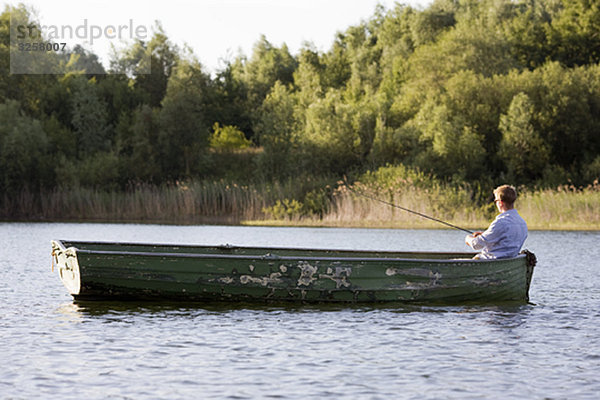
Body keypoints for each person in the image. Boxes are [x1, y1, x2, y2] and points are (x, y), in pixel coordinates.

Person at [465, 184, 528, 259]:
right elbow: (505, 240)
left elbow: (476, 245)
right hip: (508, 262)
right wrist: (484, 234)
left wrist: (468, 238)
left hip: (488, 262)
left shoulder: (500, 222)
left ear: (500, 202)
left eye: (495, 201)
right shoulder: (522, 223)